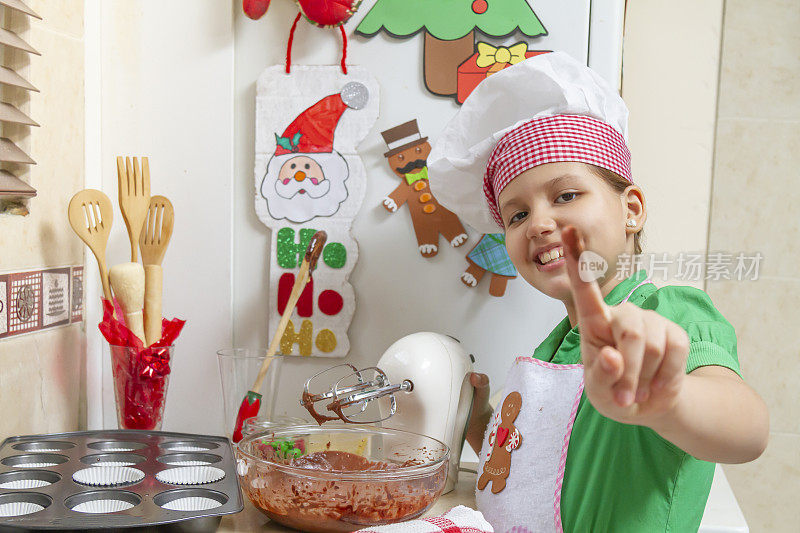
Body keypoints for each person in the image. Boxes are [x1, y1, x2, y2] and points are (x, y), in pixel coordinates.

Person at [428, 52, 769, 532]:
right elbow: (538, 465)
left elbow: (748, 431)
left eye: (566, 195)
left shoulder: (666, 312)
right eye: (517, 215)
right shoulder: (552, 347)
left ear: (631, 210)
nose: (540, 224)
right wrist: (479, 422)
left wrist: (672, 401)